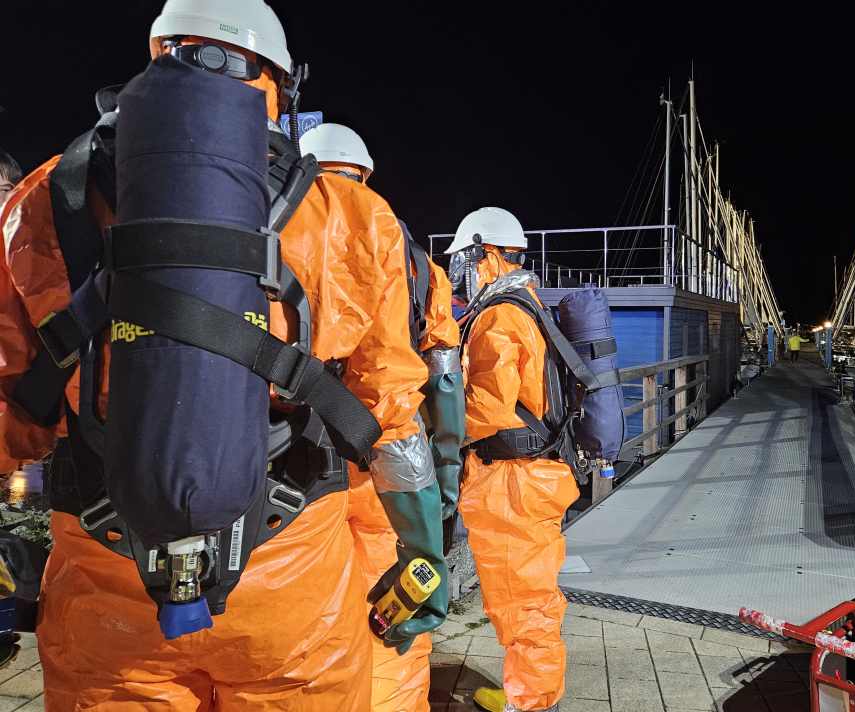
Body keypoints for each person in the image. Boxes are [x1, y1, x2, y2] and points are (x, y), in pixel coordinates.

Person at [0, 1, 443, 708]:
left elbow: (14, 412)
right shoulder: (349, 216)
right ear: (274, 80)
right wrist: (424, 552)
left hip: (105, 586)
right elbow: (392, 413)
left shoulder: (47, 199)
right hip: (293, 575)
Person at [301, 122, 463, 712]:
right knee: (390, 623)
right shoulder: (422, 267)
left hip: (291, 478)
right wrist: (439, 500)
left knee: (306, 633)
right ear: (365, 172)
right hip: (387, 476)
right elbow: (443, 389)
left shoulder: (273, 226)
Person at [447, 207, 579, 712]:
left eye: (464, 260)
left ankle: (531, 703)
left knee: (523, 601)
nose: (460, 272)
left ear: (486, 254)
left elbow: (487, 405)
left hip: (513, 482)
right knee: (526, 595)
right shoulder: (526, 303)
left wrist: (427, 425)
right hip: (532, 477)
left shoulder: (499, 314)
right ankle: (529, 692)